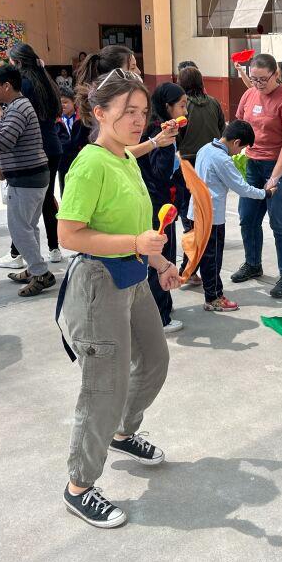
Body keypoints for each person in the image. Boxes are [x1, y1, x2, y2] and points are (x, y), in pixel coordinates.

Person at [56, 69, 181, 529]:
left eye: (143, 112)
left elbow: (136, 154)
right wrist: (136, 242)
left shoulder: (123, 156)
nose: (137, 120)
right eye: (127, 112)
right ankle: (79, 486)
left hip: (134, 279)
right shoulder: (90, 164)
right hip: (98, 283)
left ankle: (122, 432)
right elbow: (69, 234)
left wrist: (160, 264)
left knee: (154, 360)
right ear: (100, 112)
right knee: (102, 389)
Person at [0, 65, 55, 297]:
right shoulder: (16, 106)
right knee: (28, 227)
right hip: (31, 175)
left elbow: (5, 141)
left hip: (27, 178)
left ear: (6, 86)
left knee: (19, 229)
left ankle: (41, 274)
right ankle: (35, 268)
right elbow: (8, 136)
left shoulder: (18, 107)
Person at [232, 53, 282, 299]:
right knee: (247, 218)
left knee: (280, 222)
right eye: (254, 79)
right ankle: (253, 264)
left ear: (276, 74)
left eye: (263, 79)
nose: (258, 84)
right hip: (253, 163)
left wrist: (274, 178)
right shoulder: (249, 94)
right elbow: (239, 126)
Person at [0, 43, 64, 267]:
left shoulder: (25, 86)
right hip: (52, 146)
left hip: (32, 150)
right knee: (46, 200)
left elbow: (7, 121)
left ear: (18, 63)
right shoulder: (46, 80)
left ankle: (16, 254)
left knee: (23, 209)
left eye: (10, 61)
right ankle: (54, 248)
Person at [190, 120, 268, 312]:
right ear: (236, 142)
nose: (239, 153)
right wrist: (266, 193)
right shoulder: (222, 159)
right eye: (241, 148)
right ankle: (214, 297)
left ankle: (191, 274)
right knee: (212, 259)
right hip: (212, 217)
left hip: (196, 211)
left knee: (200, 252)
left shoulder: (205, 148)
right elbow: (241, 188)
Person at [137, 82, 188, 334]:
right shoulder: (161, 133)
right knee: (162, 259)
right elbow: (160, 173)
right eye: (181, 105)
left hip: (153, 201)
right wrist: (168, 149)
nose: (185, 111)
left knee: (156, 257)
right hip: (158, 206)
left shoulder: (153, 130)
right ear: (167, 107)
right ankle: (161, 316)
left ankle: (159, 308)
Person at [74, 45, 177, 159]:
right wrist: (155, 142)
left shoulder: (129, 164)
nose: (138, 71)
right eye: (132, 68)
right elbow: (111, 152)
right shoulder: (99, 112)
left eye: (144, 112)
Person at [175, 65, 225, 286]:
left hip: (188, 165)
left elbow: (177, 134)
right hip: (211, 163)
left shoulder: (183, 107)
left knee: (191, 221)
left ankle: (189, 269)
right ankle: (194, 269)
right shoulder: (213, 102)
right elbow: (222, 128)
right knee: (205, 219)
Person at [56, 86, 91, 195]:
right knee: (65, 190)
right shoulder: (56, 120)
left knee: (82, 188)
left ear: (73, 102)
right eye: (60, 103)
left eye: (65, 102)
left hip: (81, 159)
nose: (63, 105)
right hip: (63, 161)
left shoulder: (82, 118)